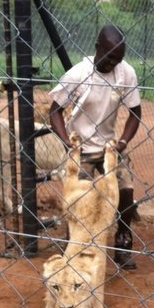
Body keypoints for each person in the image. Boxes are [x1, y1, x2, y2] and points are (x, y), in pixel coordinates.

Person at [49, 25, 142, 270]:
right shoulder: (78, 74)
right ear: (97, 47)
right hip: (82, 147)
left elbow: (136, 113)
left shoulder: (126, 73)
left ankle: (123, 242)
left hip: (111, 147)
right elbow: (55, 111)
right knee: (78, 198)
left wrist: (123, 142)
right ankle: (72, 241)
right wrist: (67, 141)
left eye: (118, 58)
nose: (113, 62)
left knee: (126, 191)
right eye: (109, 56)